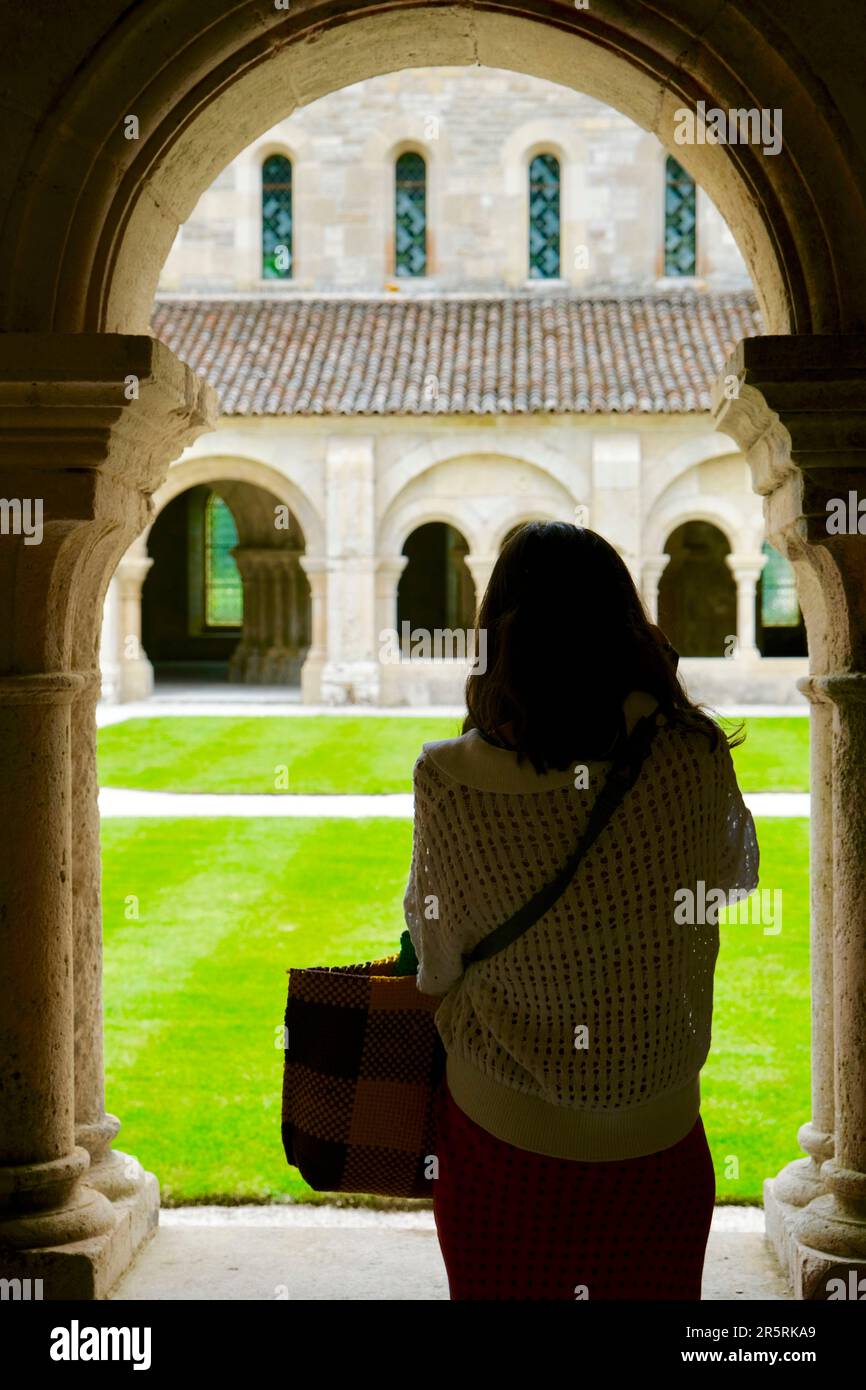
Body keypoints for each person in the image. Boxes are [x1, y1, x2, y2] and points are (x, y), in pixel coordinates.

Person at [403, 521, 759, 1301]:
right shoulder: (694, 754)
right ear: (626, 622)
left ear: (498, 628)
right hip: (657, 1128)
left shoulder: (450, 777)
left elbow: (435, 964)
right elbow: (732, 878)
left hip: (505, 1133)